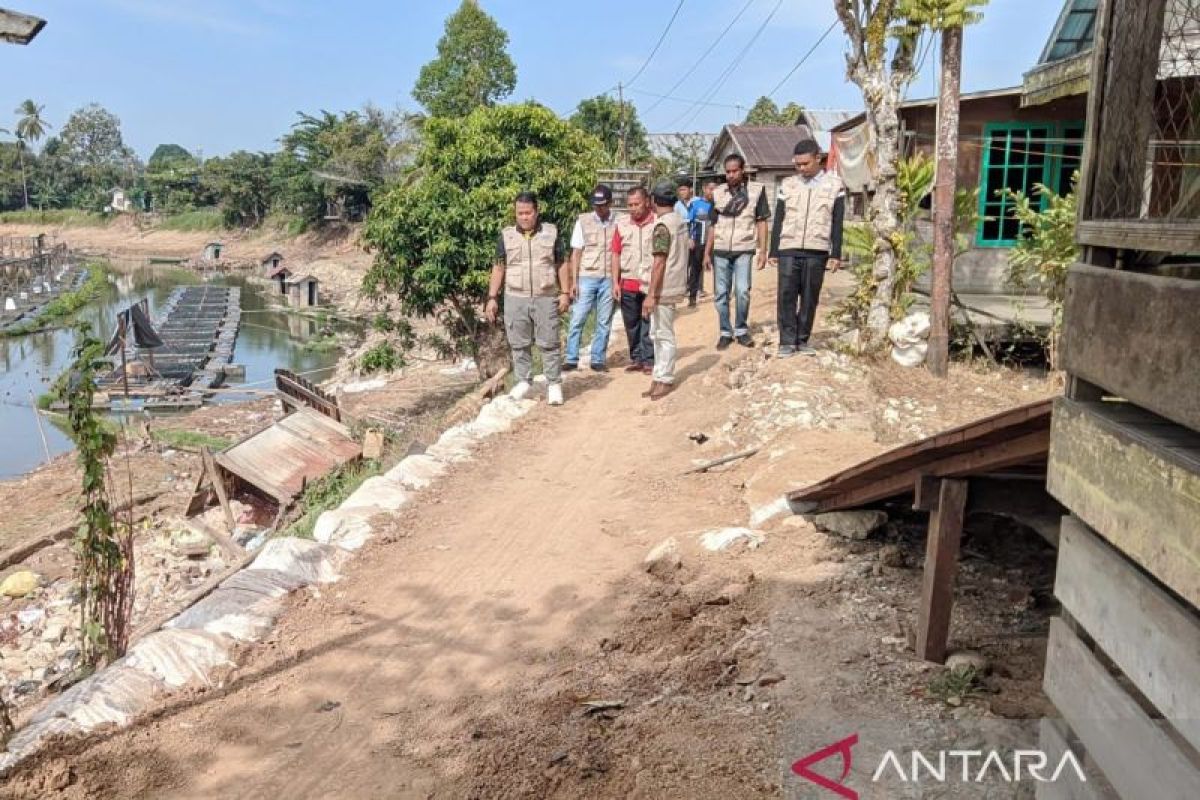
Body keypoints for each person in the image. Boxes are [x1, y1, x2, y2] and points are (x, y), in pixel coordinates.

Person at [484, 191, 571, 405]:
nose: (524, 217)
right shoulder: (506, 236)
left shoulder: (551, 233)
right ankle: (523, 380)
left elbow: (561, 264)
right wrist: (492, 297)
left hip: (545, 296)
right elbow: (498, 267)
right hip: (515, 297)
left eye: (528, 212)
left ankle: (553, 384)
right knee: (518, 342)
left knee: (549, 342)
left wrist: (565, 293)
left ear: (536, 211)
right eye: (520, 213)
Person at [769, 139, 845, 357]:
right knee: (786, 296)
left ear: (818, 159)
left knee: (810, 297)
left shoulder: (835, 185)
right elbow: (779, 219)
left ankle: (802, 340)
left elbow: (837, 222)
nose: (801, 168)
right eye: (797, 165)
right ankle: (786, 341)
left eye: (805, 163)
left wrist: (836, 253)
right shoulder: (788, 184)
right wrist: (774, 250)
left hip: (817, 249)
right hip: (788, 248)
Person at [704, 153, 770, 350]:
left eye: (735, 171)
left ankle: (741, 330)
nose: (731, 175)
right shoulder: (717, 193)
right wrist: (707, 252)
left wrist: (763, 250)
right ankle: (725, 331)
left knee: (742, 292)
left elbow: (762, 221)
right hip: (721, 250)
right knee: (721, 294)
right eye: (728, 171)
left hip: (744, 249)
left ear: (743, 170)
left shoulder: (757, 191)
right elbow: (712, 225)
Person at [642, 182, 691, 401]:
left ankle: (666, 378)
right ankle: (658, 375)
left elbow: (659, 262)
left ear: (653, 201)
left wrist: (651, 295)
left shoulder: (662, 226)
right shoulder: (679, 221)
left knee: (663, 334)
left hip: (664, 287)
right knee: (658, 333)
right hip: (675, 283)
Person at [563, 184, 617, 372]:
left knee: (604, 321)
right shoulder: (582, 222)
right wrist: (573, 282)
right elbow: (576, 253)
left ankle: (598, 359)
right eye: (596, 205)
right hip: (587, 276)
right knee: (578, 318)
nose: (599, 208)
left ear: (610, 203)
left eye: (602, 204)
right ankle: (571, 358)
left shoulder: (619, 221)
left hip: (609, 277)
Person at [611, 186, 657, 374]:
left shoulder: (657, 223)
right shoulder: (621, 225)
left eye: (637, 204)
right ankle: (636, 358)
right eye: (630, 205)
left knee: (648, 321)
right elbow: (615, 253)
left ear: (646, 202)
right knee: (631, 323)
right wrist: (615, 281)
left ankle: (649, 360)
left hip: (648, 282)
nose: (633, 208)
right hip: (627, 282)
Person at [685, 178, 714, 307]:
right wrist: (689, 238)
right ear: (704, 188)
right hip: (698, 242)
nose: (713, 192)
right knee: (695, 270)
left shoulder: (718, 205)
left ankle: (722, 296)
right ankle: (692, 297)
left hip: (714, 244)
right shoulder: (696, 204)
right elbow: (687, 223)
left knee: (719, 269)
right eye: (710, 189)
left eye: (715, 189)